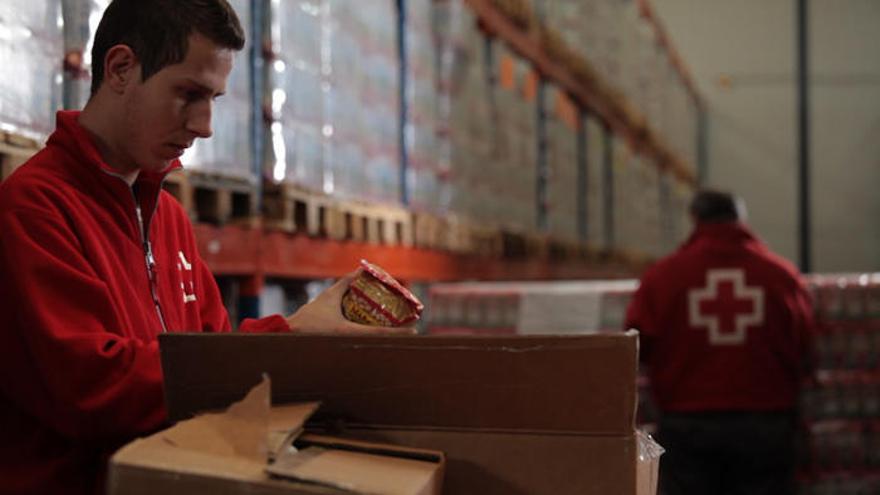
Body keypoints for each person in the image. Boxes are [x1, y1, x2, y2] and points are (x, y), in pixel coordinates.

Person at [0, 1, 392, 493]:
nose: (205, 125)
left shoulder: (168, 221)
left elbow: (216, 367)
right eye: (188, 94)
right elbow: (95, 389)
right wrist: (288, 339)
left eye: (214, 100)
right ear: (120, 68)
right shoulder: (33, 209)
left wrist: (307, 343)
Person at [624, 189, 815, 495]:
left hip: (688, 425)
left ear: (695, 220)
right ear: (742, 220)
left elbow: (635, 346)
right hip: (766, 426)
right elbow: (805, 344)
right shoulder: (781, 276)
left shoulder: (663, 277)